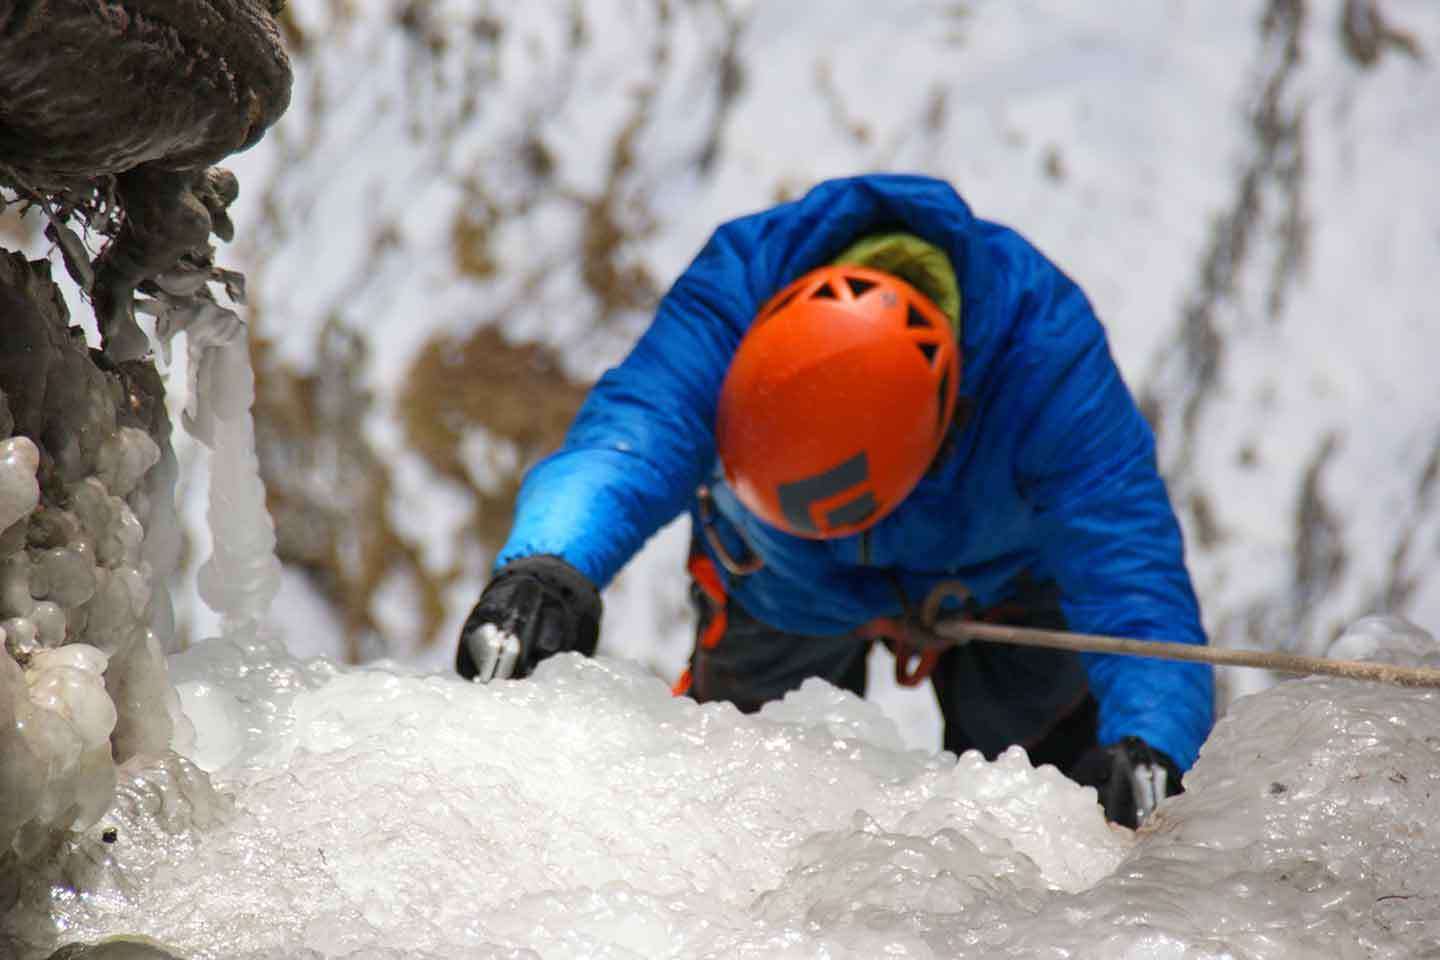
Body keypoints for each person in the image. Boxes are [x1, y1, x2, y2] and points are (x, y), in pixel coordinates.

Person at [456, 174, 1215, 828]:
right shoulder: (740, 288)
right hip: (783, 570)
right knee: (740, 805)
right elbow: (635, 436)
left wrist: (1150, 743)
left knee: (1056, 800)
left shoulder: (1042, 353)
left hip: (999, 584)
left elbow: (1128, 569)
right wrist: (551, 563)